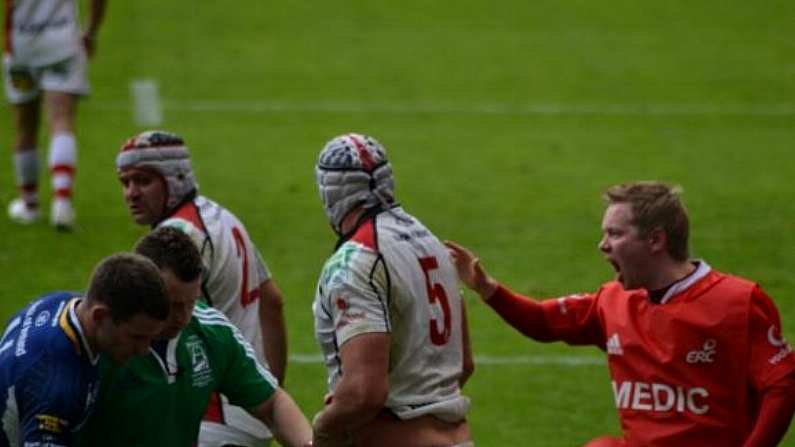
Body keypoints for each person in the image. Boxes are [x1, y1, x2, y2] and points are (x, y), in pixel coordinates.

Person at [446, 181, 795, 447]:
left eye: (615, 233)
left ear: (655, 240)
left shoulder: (737, 302)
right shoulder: (612, 302)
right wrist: (488, 288)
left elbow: (781, 386)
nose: (603, 245)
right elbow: (544, 322)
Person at [115, 130, 288, 446]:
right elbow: (272, 300)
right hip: (247, 409)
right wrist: (270, 393)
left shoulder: (179, 234)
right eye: (125, 182)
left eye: (143, 180)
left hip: (207, 413)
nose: (131, 193)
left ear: (175, 177)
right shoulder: (222, 217)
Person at [74, 227, 312, 447]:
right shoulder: (100, 343)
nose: (184, 317)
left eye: (192, 302)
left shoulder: (210, 333)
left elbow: (272, 405)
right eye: (174, 304)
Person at [311, 133, 474, 447]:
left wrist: (322, 431)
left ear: (329, 193)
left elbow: (364, 392)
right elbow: (463, 364)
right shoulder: (431, 244)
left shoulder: (354, 262)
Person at [0, 253, 170, 446]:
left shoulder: (60, 301)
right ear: (99, 316)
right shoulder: (56, 386)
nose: (144, 350)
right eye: (137, 337)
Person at [4, 0, 107, 229]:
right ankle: (62, 203)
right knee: (61, 121)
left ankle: (29, 205)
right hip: (62, 44)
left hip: (21, 48)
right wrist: (91, 31)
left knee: (24, 126)